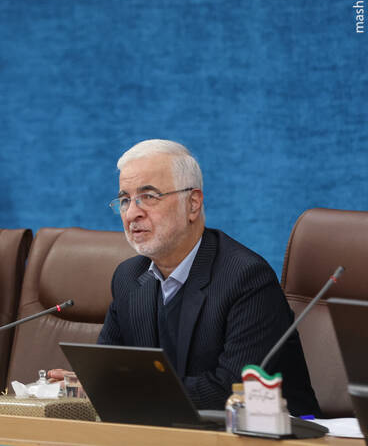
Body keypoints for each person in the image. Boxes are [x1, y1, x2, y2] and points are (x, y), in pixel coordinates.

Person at [52, 139, 320, 415]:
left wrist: (121, 387)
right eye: (124, 200)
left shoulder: (246, 278)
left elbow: (231, 391)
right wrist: (88, 384)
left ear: (192, 204)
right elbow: (109, 373)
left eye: (149, 196)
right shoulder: (129, 277)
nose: (132, 213)